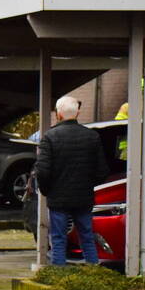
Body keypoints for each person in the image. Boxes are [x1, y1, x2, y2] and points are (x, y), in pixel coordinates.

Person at [33, 95, 110, 265]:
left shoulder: (50, 137)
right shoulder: (92, 137)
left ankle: (59, 279)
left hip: (58, 198)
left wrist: (47, 191)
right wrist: (89, 184)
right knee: (87, 237)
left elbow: (42, 171)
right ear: (78, 113)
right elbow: (102, 170)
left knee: (59, 240)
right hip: (83, 197)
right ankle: (92, 273)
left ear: (58, 114)